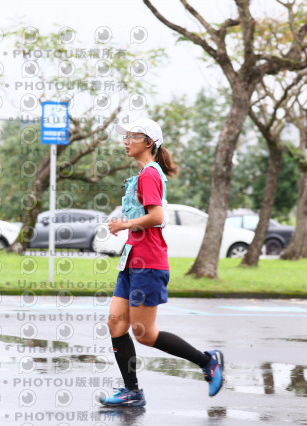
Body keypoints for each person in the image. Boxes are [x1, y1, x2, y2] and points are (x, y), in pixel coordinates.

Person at [98, 117, 224, 408]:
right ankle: (132, 392)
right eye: (126, 136)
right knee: (116, 324)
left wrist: (123, 224)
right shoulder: (143, 174)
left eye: (133, 136)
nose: (126, 141)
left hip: (148, 263)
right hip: (132, 260)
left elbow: (156, 216)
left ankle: (207, 362)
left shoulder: (150, 174)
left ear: (149, 142)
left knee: (144, 334)